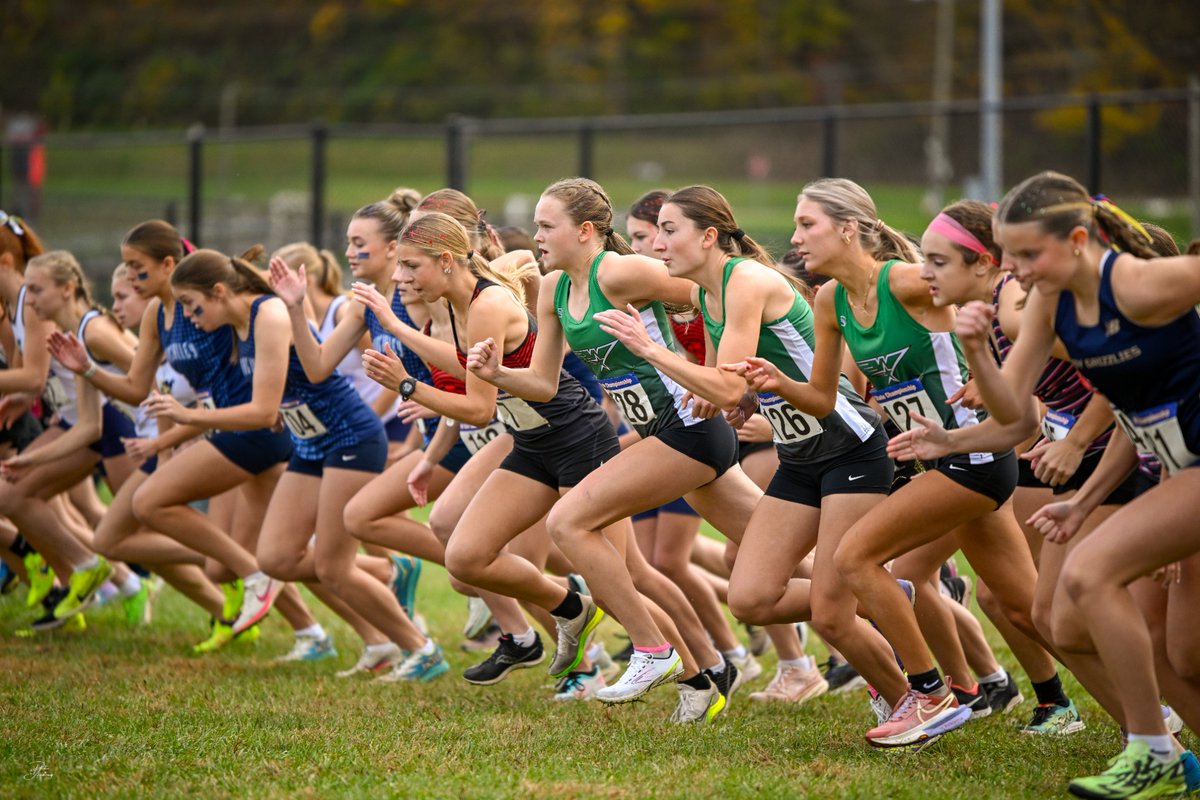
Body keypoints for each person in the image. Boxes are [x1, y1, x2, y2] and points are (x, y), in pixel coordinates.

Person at [726, 179, 1046, 748]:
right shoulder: (829, 300)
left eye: (807, 224)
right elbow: (824, 399)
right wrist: (780, 383)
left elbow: (991, 292)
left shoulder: (904, 281)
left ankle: (931, 694)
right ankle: (1122, 709)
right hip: (935, 463)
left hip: (974, 456)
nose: (795, 238)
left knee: (857, 558)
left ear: (849, 228)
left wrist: (999, 371)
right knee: (1029, 607)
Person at [936, 173, 1200, 798]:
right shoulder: (1055, 302)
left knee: (1089, 577)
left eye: (1030, 255)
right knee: (1179, 656)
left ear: (1079, 239)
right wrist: (977, 349)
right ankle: (1161, 751)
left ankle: (1153, 751)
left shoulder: (1139, 283)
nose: (1018, 271)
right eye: (1010, 257)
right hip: (1177, 472)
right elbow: (1012, 408)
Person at [467, 178, 764, 715]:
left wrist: (713, 372)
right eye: (535, 224)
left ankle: (653, 649)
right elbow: (542, 383)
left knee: (567, 523)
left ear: (585, 231)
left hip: (689, 428)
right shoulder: (553, 287)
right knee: (787, 557)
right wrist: (498, 374)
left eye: (545, 225)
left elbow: (716, 292)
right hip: (664, 435)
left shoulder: (620, 271)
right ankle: (891, 593)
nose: (535, 235)